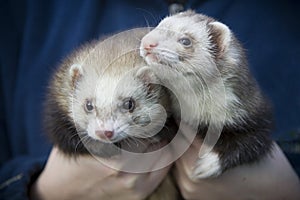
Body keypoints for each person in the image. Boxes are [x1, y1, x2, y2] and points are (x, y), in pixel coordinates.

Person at [1, 0, 299, 199]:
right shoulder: (24, 13)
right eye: (157, 29)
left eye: (184, 42)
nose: (151, 40)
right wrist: (42, 190)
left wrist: (289, 189)